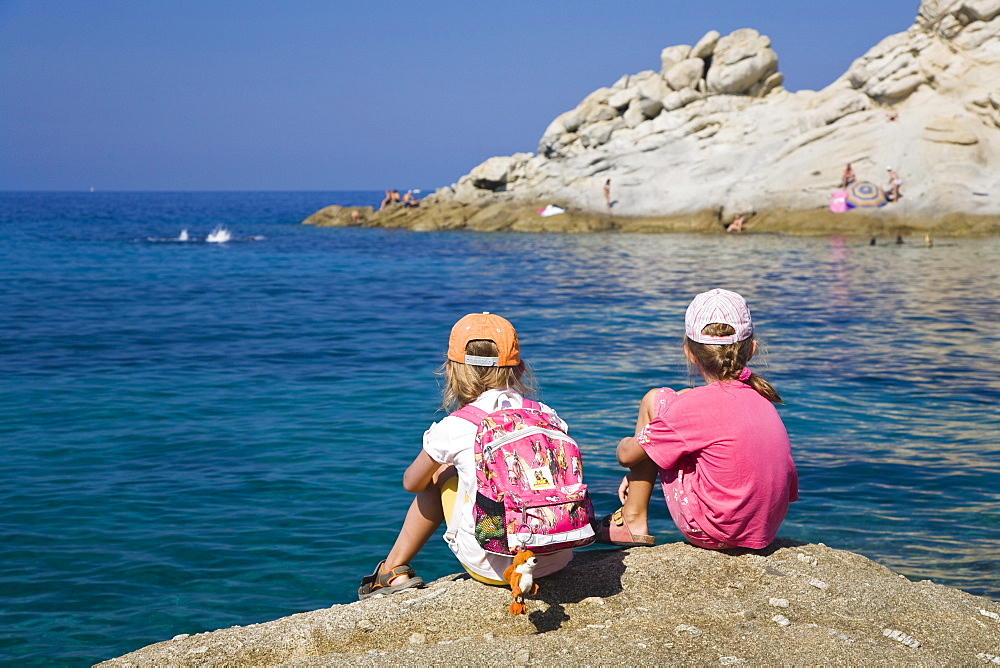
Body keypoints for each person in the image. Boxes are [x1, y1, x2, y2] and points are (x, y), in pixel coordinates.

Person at [358, 313, 574, 598]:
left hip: (496, 565)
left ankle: (391, 569)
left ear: (450, 370)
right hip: (557, 556)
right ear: (520, 369)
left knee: (438, 472)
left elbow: (411, 483)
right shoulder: (547, 415)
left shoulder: (455, 426)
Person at [597, 289, 798, 550]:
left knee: (655, 400)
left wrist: (638, 447)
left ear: (690, 354)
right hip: (764, 528)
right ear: (752, 349)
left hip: (715, 531)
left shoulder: (691, 409)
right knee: (677, 402)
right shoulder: (761, 398)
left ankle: (632, 520)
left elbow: (626, 456)